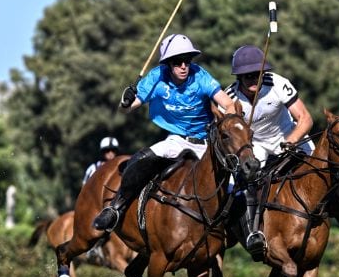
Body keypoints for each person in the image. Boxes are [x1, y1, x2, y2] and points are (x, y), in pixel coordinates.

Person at [225, 45, 339, 261]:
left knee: (326, 170)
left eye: (256, 75)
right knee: (245, 181)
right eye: (246, 76)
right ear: (238, 77)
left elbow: (305, 118)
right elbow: (231, 131)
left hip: (288, 135)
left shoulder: (278, 83)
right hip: (255, 143)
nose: (252, 80)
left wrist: (292, 140)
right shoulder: (230, 98)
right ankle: (254, 233)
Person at [92, 33, 236, 232]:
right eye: (178, 62)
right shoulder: (156, 77)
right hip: (176, 140)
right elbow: (128, 107)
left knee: (234, 186)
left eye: (187, 60)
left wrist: (226, 125)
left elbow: (228, 104)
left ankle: (235, 231)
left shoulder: (201, 76)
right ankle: (116, 208)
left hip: (206, 142)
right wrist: (124, 101)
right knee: (142, 158)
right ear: (168, 64)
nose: (184, 66)